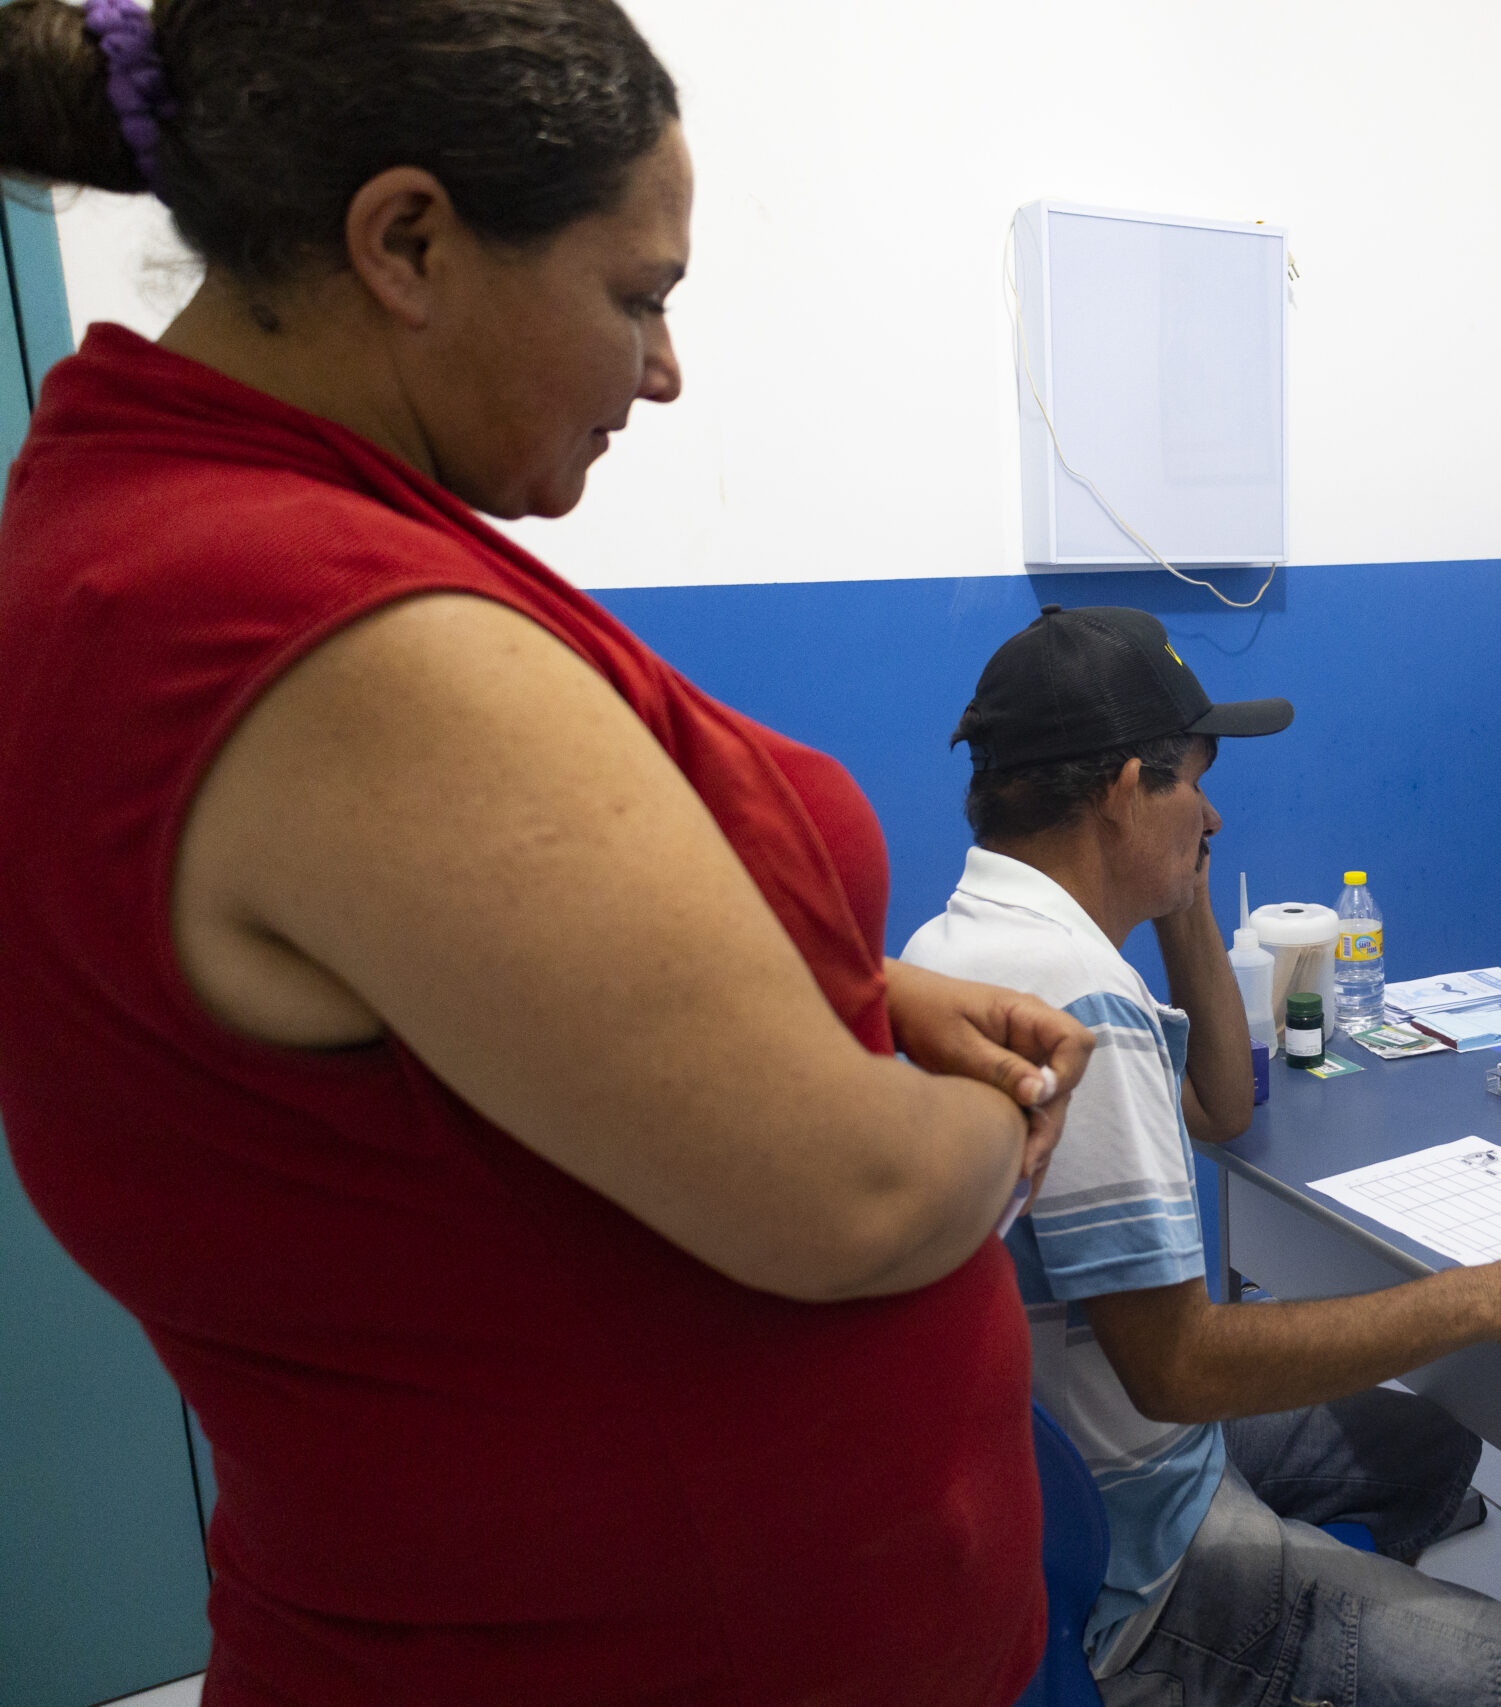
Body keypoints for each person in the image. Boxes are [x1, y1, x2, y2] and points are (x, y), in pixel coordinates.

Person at [0, 4, 1091, 1703]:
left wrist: (851, 998)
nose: (665, 371)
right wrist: (999, 1117)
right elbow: (856, 1201)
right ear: (409, 242)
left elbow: (422, 990)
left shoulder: (164, 540)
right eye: (638, 296)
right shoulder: (310, 625)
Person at [904, 604, 1501, 1707]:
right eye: (1193, 781)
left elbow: (1224, 1109)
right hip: (1136, 1550)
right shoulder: (1077, 998)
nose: (1213, 809)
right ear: (1127, 791)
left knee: (1429, 1447)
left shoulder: (962, 944)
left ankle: (1318, 1619)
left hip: (1096, 1457)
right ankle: (1240, 1652)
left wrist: (1174, 901)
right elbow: (1178, 1368)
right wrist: (1488, 1297)